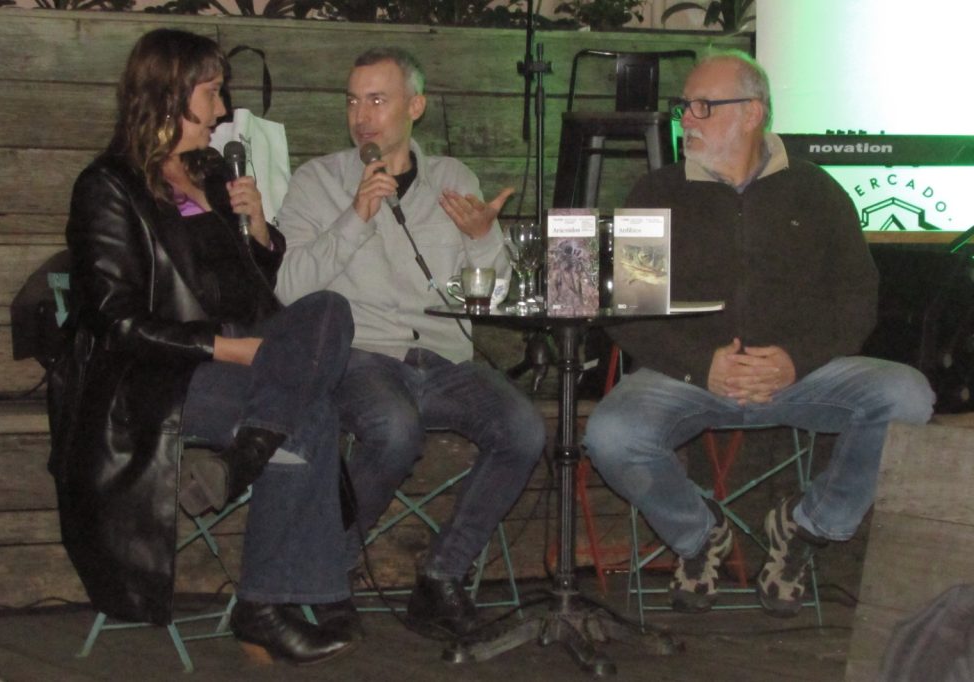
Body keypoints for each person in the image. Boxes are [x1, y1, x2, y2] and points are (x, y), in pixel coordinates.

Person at [582, 50, 936, 617]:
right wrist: (704, 364)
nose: (686, 120)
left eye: (702, 107)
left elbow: (857, 299)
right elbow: (629, 308)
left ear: (751, 113)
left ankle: (805, 526)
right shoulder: (656, 192)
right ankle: (700, 537)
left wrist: (797, 360)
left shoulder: (817, 190)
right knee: (612, 434)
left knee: (907, 395)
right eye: (683, 108)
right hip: (688, 377)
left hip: (800, 375)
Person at [47, 28, 358, 665]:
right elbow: (116, 323)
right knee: (312, 415)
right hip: (160, 377)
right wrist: (226, 349)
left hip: (248, 356)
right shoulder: (107, 188)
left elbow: (254, 284)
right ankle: (271, 602)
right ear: (167, 95)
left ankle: (245, 454)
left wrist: (257, 227)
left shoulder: (211, 172)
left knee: (330, 309)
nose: (222, 110)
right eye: (213, 93)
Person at [273, 47, 546, 639]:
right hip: (362, 355)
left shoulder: (453, 180)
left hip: (446, 358)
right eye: (353, 100)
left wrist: (481, 239)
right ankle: (329, 571)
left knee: (524, 429)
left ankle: (442, 576)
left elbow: (494, 292)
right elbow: (289, 289)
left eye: (378, 99)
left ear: (415, 106)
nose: (362, 115)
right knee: (395, 429)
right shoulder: (317, 182)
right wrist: (354, 217)